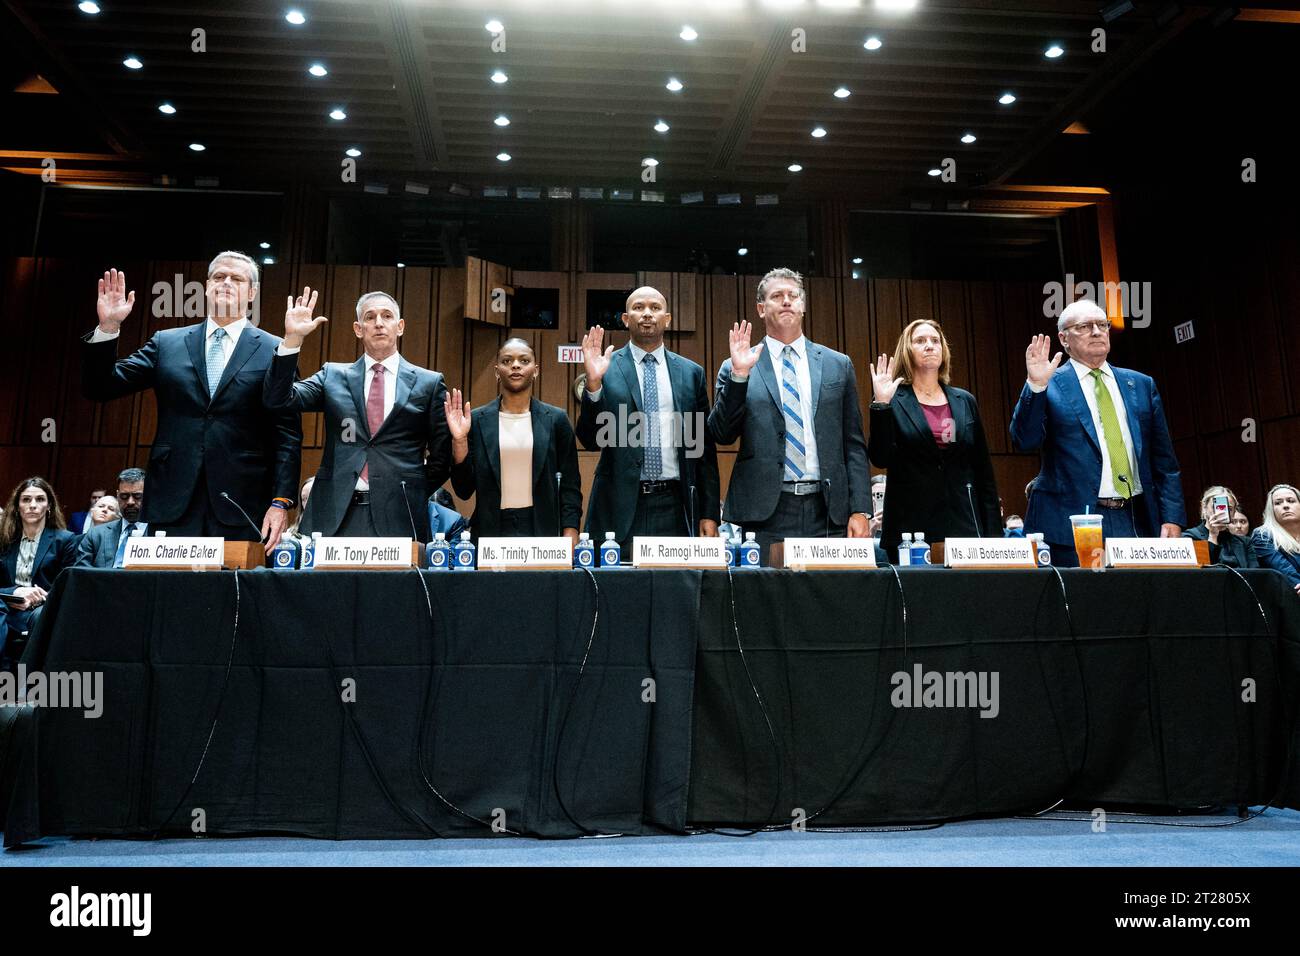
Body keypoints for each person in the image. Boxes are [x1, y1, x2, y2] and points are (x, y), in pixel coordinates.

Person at [82, 257, 302, 552]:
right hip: (173, 500)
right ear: (207, 287)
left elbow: (287, 434)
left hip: (242, 502)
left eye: (236, 279)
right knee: (170, 593)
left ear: (252, 293)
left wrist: (280, 503)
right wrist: (108, 327)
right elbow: (100, 387)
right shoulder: (167, 343)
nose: (225, 283)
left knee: (233, 594)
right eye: (218, 277)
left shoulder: (275, 349)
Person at [708, 268, 871, 563]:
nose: (786, 302)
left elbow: (854, 442)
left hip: (828, 509)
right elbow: (721, 433)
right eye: (776, 296)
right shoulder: (737, 366)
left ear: (803, 305)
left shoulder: (838, 365)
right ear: (761, 308)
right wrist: (739, 377)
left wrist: (860, 508)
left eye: (793, 296)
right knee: (766, 603)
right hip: (765, 511)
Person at [264, 288, 451, 541]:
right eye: (370, 317)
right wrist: (292, 340)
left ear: (400, 326)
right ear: (358, 328)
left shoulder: (428, 383)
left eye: (387, 316)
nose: (378, 323)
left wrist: (409, 489)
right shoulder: (333, 376)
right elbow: (279, 399)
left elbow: (441, 457)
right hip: (333, 513)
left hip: (400, 514)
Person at [1010, 298, 1185, 566]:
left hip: (1135, 518)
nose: (1096, 332)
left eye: (1102, 325)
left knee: (1136, 602)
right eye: (1084, 326)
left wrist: (1172, 516)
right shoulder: (1050, 383)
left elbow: (1164, 461)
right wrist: (1035, 385)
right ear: (1064, 339)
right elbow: (1024, 440)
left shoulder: (1139, 384)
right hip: (1071, 522)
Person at [576, 286, 720, 558]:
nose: (646, 314)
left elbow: (703, 451)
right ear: (625, 319)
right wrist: (593, 385)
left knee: (676, 594)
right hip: (619, 505)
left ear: (667, 319)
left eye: (654, 308)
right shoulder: (605, 367)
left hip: (676, 505)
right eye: (638, 307)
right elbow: (589, 439)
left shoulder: (691, 374)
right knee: (619, 595)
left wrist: (709, 513)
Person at [867, 319, 1000, 554]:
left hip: (964, 525)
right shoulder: (893, 399)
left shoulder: (965, 401)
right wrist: (881, 406)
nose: (930, 346)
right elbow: (880, 458)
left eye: (935, 341)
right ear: (907, 351)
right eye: (920, 341)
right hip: (911, 528)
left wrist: (993, 537)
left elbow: (983, 473)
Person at [445, 338, 581, 542]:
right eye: (507, 361)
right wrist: (459, 441)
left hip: (543, 527)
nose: (515, 365)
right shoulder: (476, 421)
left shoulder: (556, 420)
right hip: (491, 528)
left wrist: (571, 532)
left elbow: (571, 485)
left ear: (535, 370)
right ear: (497, 371)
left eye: (524, 361)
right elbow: (464, 490)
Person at [1, 478, 79, 670]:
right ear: (17, 506)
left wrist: (39, 598)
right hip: (6, 604)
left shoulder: (65, 540)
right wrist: (16, 591)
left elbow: (67, 586)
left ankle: (32, 683)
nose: (33, 505)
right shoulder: (4, 539)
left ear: (49, 505)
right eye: (26, 500)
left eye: (39, 499)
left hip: (40, 608)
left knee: (42, 616)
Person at [75, 467, 147, 568]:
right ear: (117, 495)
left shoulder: (165, 536)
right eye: (124, 496)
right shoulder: (96, 535)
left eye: (137, 496)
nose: (130, 502)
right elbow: (81, 573)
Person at [1182, 485, 1258, 569]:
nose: (1222, 513)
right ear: (1204, 508)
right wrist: (1212, 535)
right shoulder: (1189, 537)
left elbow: (1255, 574)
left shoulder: (1245, 542)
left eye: (1229, 509)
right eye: (1216, 507)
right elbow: (1202, 573)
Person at [1252, 484, 1300, 591]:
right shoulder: (1263, 535)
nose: (1285, 506)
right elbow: (1285, 570)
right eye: (1278, 503)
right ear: (1271, 510)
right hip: (1288, 596)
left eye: (1291, 501)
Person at [869, 474, 887, 540]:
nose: (877, 500)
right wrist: (869, 532)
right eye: (874, 495)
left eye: (883, 496)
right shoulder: (859, 523)